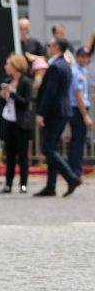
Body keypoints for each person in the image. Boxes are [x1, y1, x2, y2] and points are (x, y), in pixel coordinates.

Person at [33, 35, 82, 197]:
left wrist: (41, 113)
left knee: (47, 147)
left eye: (50, 44)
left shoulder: (56, 66)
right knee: (52, 147)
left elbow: (50, 93)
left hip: (54, 112)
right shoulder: (65, 64)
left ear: (56, 48)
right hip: (62, 111)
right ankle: (51, 186)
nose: (47, 47)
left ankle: (71, 177)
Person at [0, 54, 33, 194]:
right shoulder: (7, 80)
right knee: (10, 155)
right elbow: (4, 104)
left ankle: (23, 184)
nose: (6, 67)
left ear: (16, 66)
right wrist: (3, 96)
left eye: (8, 64)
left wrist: (12, 93)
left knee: (22, 155)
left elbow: (25, 103)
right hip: (8, 121)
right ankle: (8, 184)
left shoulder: (26, 82)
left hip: (21, 124)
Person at [68, 48, 91, 178]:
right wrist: (85, 115)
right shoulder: (77, 72)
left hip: (78, 108)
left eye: (86, 56)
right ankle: (75, 170)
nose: (85, 59)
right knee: (77, 141)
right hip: (78, 109)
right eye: (82, 56)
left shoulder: (82, 71)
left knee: (78, 140)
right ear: (77, 57)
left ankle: (76, 168)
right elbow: (78, 94)